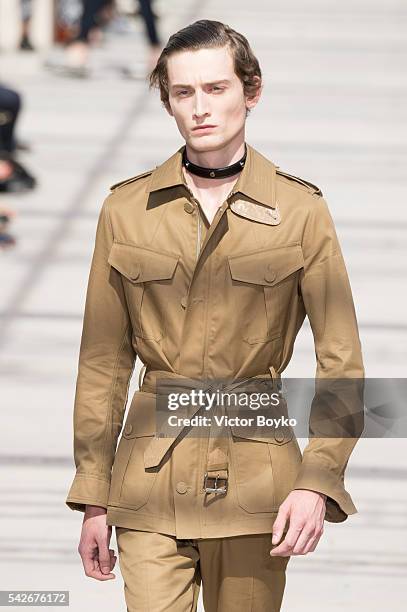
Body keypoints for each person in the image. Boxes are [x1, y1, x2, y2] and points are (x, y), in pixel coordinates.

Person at [65, 19, 365, 612]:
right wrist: (93, 496)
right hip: (149, 479)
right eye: (183, 93)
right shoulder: (126, 210)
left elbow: (344, 361)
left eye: (216, 88)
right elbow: (102, 361)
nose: (201, 108)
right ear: (168, 103)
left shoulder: (301, 210)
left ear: (250, 92)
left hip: (259, 485)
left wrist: (317, 480)